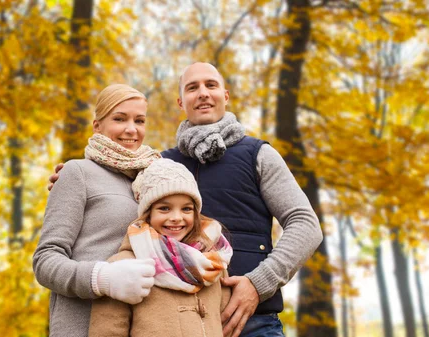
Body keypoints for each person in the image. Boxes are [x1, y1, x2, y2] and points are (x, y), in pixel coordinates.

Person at [48, 62, 323, 337]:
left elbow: (305, 225)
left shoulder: (258, 155)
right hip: (180, 324)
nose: (202, 93)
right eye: (193, 88)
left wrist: (257, 284)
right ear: (181, 102)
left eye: (211, 85)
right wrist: (71, 174)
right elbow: (112, 176)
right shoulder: (158, 164)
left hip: (254, 320)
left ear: (225, 96)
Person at [32, 84, 162, 337]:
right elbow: (45, 260)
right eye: (119, 119)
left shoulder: (155, 178)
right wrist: (102, 278)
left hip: (144, 325)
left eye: (140, 120)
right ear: (97, 126)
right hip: (83, 326)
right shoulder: (77, 173)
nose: (131, 129)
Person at [88, 158, 233, 337]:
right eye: (164, 208)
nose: (176, 217)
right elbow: (107, 331)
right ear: (148, 214)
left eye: (186, 209)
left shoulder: (213, 262)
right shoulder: (123, 266)